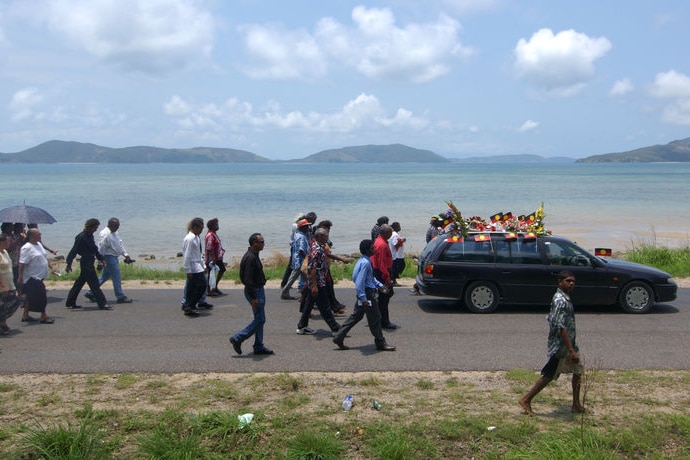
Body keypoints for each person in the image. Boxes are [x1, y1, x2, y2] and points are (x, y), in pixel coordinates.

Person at [519, 270, 587, 417]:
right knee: (549, 375)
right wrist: (570, 350)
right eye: (568, 281)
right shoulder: (559, 300)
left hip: (570, 345)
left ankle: (576, 404)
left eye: (573, 281)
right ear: (560, 282)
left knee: (578, 371)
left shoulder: (565, 298)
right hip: (562, 347)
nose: (571, 284)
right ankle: (526, 399)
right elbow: (560, 326)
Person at [332, 239, 396, 351]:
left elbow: (368, 278)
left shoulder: (363, 261)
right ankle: (380, 342)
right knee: (375, 318)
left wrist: (379, 285)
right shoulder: (366, 263)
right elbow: (359, 281)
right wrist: (363, 297)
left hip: (366, 293)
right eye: (372, 248)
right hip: (367, 295)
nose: (374, 249)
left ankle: (339, 336)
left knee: (356, 316)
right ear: (367, 250)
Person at [229, 233, 274, 355]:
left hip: (258, 290)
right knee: (260, 319)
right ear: (254, 243)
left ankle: (258, 346)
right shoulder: (250, 258)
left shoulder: (254, 255)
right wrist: (254, 298)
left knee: (259, 319)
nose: (263, 244)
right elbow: (247, 280)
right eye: (261, 242)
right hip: (255, 291)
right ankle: (238, 338)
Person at [295, 228, 341, 335]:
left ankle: (302, 326)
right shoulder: (317, 250)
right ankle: (335, 328)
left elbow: (326, 255)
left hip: (319, 280)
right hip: (318, 282)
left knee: (309, 304)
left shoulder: (318, 246)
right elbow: (312, 268)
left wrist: (341, 259)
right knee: (324, 306)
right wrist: (315, 286)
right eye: (325, 236)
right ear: (319, 236)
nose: (327, 237)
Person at [65, 218, 111, 310]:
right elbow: (74, 251)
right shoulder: (81, 237)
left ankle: (70, 302)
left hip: (90, 260)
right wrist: (69, 264)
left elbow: (94, 249)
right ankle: (102, 303)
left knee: (79, 284)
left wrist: (101, 259)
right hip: (86, 263)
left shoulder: (90, 236)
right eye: (95, 227)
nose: (96, 229)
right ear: (90, 227)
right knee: (94, 284)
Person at [85, 217, 133, 304]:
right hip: (108, 257)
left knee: (105, 276)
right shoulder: (105, 234)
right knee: (117, 277)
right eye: (116, 226)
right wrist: (100, 261)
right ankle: (120, 296)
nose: (118, 228)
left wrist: (125, 254)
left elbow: (119, 244)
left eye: (118, 226)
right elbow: (101, 248)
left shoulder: (115, 232)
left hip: (114, 256)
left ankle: (90, 292)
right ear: (111, 225)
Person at [17, 228, 56, 323]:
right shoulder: (26, 247)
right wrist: (20, 276)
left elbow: (44, 257)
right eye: (38, 234)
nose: (40, 235)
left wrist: (51, 267)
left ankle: (25, 315)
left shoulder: (39, 244)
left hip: (40, 276)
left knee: (30, 297)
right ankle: (44, 316)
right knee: (41, 296)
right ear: (31, 236)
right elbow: (22, 263)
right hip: (32, 277)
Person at [371, 224, 397, 329]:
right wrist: (386, 278)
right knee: (384, 298)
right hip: (381, 273)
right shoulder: (381, 244)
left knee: (385, 296)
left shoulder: (379, 241)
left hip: (380, 272)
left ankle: (377, 317)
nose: (391, 235)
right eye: (390, 232)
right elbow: (382, 264)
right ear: (385, 233)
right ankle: (384, 321)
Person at [181, 217, 207, 317]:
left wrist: (203, 265)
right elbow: (187, 255)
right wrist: (188, 270)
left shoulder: (196, 237)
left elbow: (198, 254)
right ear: (195, 227)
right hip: (193, 267)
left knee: (192, 288)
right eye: (200, 228)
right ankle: (190, 305)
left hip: (197, 266)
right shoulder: (190, 238)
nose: (201, 230)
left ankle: (188, 305)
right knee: (201, 285)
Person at [281, 219, 310, 300]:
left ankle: (304, 294)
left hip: (297, 261)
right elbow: (301, 250)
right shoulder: (301, 237)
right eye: (306, 226)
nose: (308, 228)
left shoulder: (296, 235)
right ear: (303, 228)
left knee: (305, 279)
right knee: (297, 278)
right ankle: (285, 292)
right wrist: (307, 259)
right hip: (301, 262)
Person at [0, 234, 24, 334]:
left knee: (13, 302)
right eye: (7, 241)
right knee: (3, 305)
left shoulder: (5, 252)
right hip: (2, 284)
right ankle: (3, 324)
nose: (9, 243)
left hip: (9, 282)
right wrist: (2, 285)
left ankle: (2, 323)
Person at [205, 218, 226, 296]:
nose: (218, 226)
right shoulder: (210, 235)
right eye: (216, 224)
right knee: (211, 274)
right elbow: (209, 247)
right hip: (212, 259)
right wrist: (213, 258)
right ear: (212, 226)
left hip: (218, 257)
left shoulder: (214, 234)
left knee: (221, 270)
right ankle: (209, 290)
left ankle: (214, 287)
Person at [389, 221, 406, 286]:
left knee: (395, 268)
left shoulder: (395, 234)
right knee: (396, 268)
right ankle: (394, 281)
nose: (400, 227)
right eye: (399, 226)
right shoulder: (395, 234)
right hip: (396, 255)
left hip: (396, 254)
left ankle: (393, 279)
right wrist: (402, 240)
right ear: (396, 227)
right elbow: (395, 244)